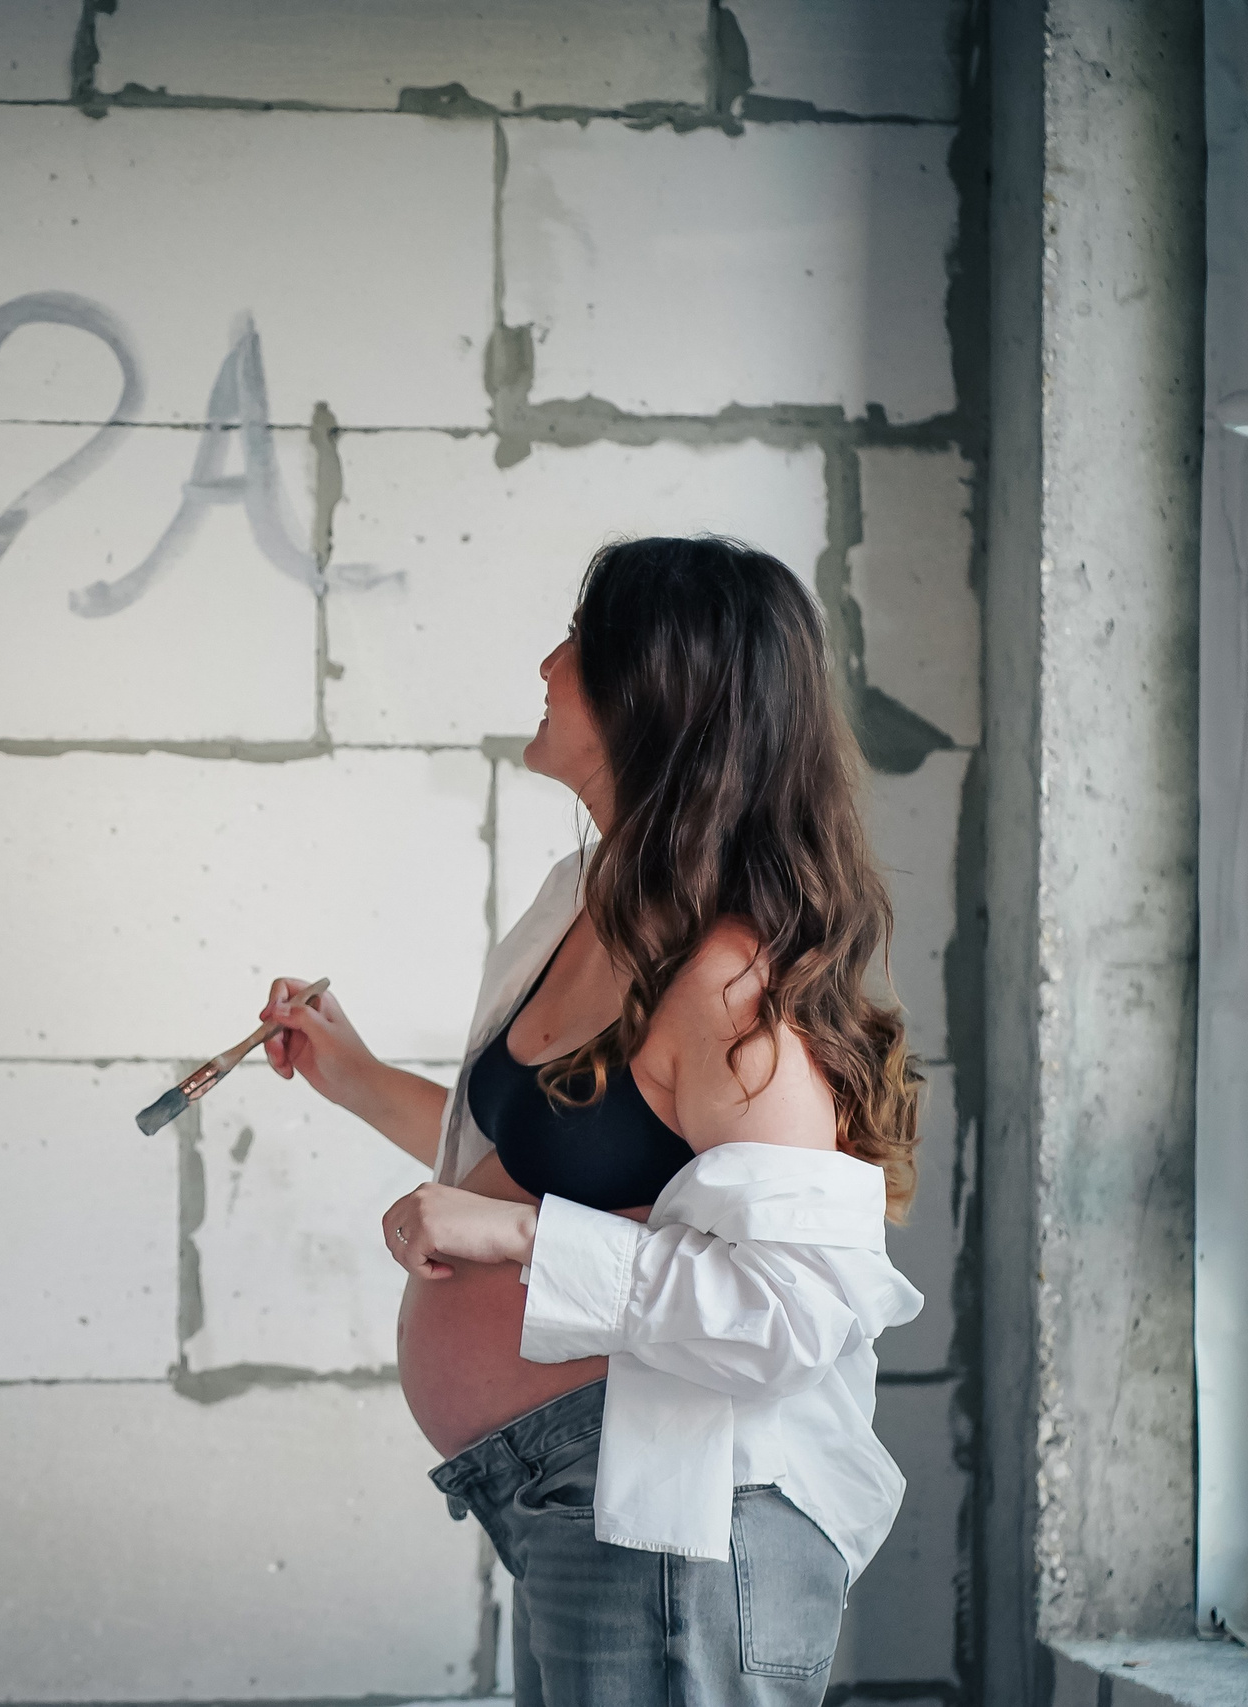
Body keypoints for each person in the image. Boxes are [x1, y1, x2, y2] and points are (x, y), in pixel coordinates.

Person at [260, 536, 925, 1704]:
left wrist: (521, 1246)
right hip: (570, 1496)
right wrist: (350, 1071)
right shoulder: (586, 904)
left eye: (580, 640)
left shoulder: (726, 982)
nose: (547, 662)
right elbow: (530, 1167)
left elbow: (796, 1308)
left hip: (683, 1516)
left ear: (652, 695)